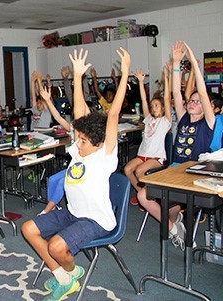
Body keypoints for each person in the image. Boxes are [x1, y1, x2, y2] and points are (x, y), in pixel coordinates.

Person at [22, 47, 131, 301]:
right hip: (73, 214)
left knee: (56, 246)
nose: (77, 144)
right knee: (29, 228)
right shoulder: (80, 149)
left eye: (82, 140)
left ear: (98, 142)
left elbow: (112, 114)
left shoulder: (105, 156)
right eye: (78, 139)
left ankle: (70, 273)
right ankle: (65, 277)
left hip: (95, 220)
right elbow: (80, 114)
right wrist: (77, 77)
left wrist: (125, 74)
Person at [137, 41, 215, 250]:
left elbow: (203, 92)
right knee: (142, 196)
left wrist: (193, 62)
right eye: (191, 100)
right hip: (174, 169)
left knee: (175, 204)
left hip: (195, 173)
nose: (192, 102)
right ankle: (175, 229)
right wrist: (176, 63)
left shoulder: (208, 122)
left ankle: (176, 225)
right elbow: (176, 93)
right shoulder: (183, 119)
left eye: (197, 101)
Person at [124, 69, 171, 205]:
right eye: (152, 106)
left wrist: (166, 79)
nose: (153, 108)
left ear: (163, 108)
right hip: (143, 154)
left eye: (156, 105)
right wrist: (140, 82)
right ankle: (141, 193)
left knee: (139, 171)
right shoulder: (149, 119)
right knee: (127, 169)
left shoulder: (165, 122)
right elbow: (144, 100)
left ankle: (148, 198)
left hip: (156, 157)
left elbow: (167, 98)